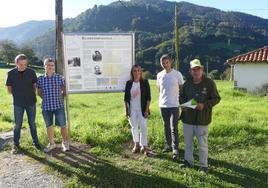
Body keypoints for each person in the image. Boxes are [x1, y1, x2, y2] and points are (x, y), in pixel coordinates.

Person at [179, 59, 221, 174]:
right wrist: (184, 104)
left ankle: (203, 166)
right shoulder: (187, 83)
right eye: (193, 69)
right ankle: (189, 162)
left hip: (203, 119)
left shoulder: (209, 83)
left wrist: (204, 105)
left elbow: (216, 98)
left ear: (202, 69)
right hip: (188, 119)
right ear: (190, 71)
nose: (196, 71)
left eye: (198, 69)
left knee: (202, 145)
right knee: (188, 143)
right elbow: (181, 96)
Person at [6, 54, 40, 153]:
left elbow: (35, 86)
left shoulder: (32, 72)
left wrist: (29, 94)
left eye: (25, 64)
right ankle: (15, 144)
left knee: (32, 124)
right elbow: (9, 89)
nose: (23, 66)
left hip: (31, 102)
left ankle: (36, 142)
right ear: (16, 63)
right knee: (17, 124)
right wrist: (18, 95)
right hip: (18, 103)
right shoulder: (11, 73)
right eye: (21, 64)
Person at [37, 58, 69, 152]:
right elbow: (39, 92)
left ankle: (65, 142)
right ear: (44, 66)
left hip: (59, 106)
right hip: (46, 107)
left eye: (52, 65)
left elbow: (64, 90)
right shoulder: (40, 79)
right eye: (48, 65)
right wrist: (46, 99)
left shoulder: (60, 78)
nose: (50, 67)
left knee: (63, 125)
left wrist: (60, 98)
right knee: (49, 126)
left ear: (54, 67)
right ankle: (52, 144)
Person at [156, 54, 184, 160]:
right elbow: (159, 89)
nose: (165, 64)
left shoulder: (177, 74)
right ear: (161, 64)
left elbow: (181, 89)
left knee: (174, 127)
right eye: (163, 63)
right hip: (163, 105)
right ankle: (168, 145)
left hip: (174, 105)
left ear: (170, 62)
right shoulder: (159, 75)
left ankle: (175, 148)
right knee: (166, 127)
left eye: (166, 62)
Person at [124, 65, 155, 157]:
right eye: (134, 71)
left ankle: (144, 146)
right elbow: (126, 99)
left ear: (141, 72)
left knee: (143, 127)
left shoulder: (145, 82)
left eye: (138, 71)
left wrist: (146, 110)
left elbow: (148, 98)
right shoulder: (129, 83)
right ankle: (136, 144)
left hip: (142, 109)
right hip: (132, 109)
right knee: (134, 127)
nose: (137, 72)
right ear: (132, 72)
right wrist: (127, 110)